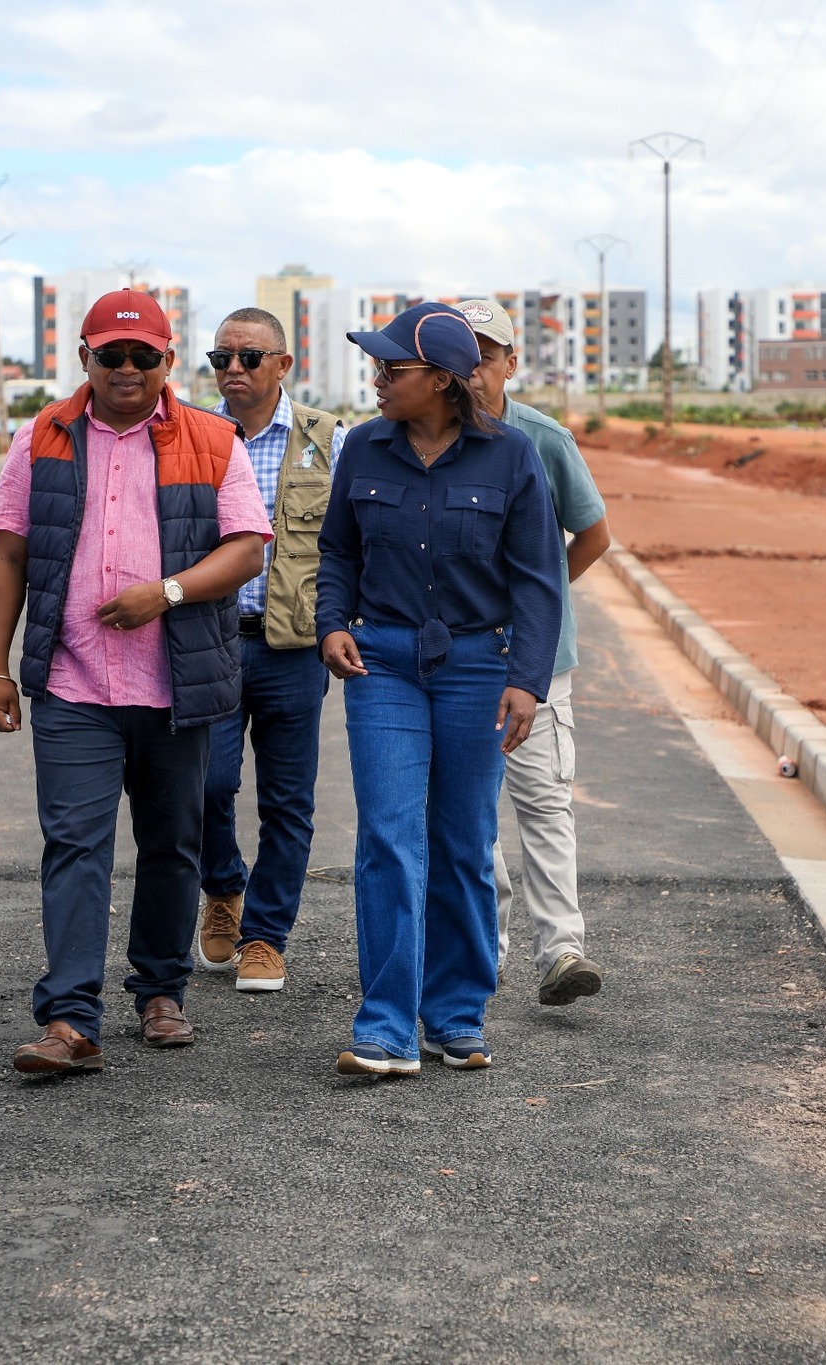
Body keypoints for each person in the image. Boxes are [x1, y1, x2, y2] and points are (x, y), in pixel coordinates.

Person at [0, 289, 269, 1076]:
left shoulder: (214, 440)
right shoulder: (40, 437)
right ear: (86, 358)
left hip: (177, 687)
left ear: (169, 361)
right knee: (75, 844)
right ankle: (71, 1017)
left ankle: (161, 990)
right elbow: (8, 556)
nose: (128, 368)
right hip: (73, 685)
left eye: (145, 355)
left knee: (173, 844)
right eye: (113, 354)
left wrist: (165, 591)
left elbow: (246, 550)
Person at [318, 301, 565, 1076]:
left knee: (463, 842)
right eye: (379, 367)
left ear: (445, 382)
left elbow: (538, 581)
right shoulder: (362, 448)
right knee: (389, 838)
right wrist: (332, 623)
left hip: (476, 668)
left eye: (395, 369)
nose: (379, 379)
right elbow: (336, 552)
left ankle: (456, 1011)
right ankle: (386, 1024)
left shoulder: (514, 457)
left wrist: (527, 680)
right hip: (381, 662)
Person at [459, 300, 612, 1007]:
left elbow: (594, 534)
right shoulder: (430, 439)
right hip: (462, 662)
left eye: (488, 355)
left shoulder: (544, 440)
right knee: (471, 812)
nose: (474, 370)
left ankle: (563, 950)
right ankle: (481, 950)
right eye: (461, 355)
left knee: (544, 803)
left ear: (511, 363)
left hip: (538, 662)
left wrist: (541, 603)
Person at [195, 306, 344, 993]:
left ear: (283, 365)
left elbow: (350, 542)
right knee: (206, 783)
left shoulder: (326, 440)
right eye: (220, 357)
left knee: (288, 801)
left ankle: (266, 936)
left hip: (291, 648)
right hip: (209, 643)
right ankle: (223, 886)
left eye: (248, 357)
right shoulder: (192, 437)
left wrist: (345, 623)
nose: (232, 369)